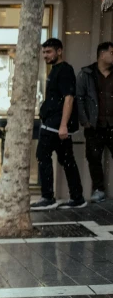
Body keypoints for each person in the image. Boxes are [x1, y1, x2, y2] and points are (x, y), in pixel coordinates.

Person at [31, 38, 85, 211]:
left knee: (42, 155)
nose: (45, 55)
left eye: (49, 52)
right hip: (54, 123)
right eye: (44, 52)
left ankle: (48, 197)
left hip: (55, 125)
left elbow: (69, 98)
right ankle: (77, 198)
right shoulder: (55, 70)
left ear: (59, 51)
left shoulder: (65, 71)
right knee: (67, 159)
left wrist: (63, 125)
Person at [78, 41, 113, 203]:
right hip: (94, 125)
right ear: (102, 54)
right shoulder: (87, 73)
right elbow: (80, 98)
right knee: (94, 158)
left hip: (112, 125)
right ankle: (99, 190)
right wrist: (85, 121)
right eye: (111, 53)